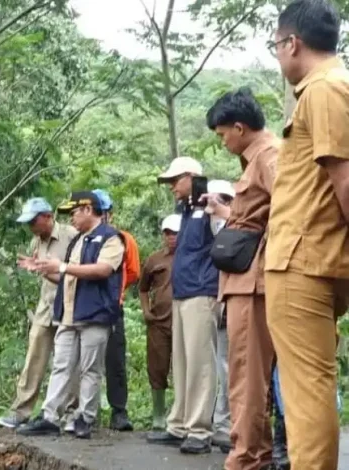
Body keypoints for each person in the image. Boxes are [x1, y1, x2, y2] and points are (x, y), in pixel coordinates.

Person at [267, 1, 349, 468]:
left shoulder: (324, 89)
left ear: (292, 43)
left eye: (276, 45)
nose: (278, 56)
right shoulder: (330, 89)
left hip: (302, 263)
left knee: (306, 392)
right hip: (314, 257)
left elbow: (344, 180)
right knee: (310, 387)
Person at [206, 88, 279, 470]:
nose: (223, 143)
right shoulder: (256, 160)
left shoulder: (269, 156)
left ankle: (246, 457)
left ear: (239, 127)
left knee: (246, 375)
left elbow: (292, 210)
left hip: (255, 284)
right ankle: (257, 453)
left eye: (223, 135)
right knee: (245, 373)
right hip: (243, 281)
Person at [17, 191, 125, 439]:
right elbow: (66, 276)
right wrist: (42, 269)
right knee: (61, 365)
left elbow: (103, 270)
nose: (72, 218)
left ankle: (85, 417)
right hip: (68, 312)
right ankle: (49, 416)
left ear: (88, 209)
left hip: (95, 313)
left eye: (74, 212)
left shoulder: (110, 238)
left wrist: (62, 266)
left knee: (90, 368)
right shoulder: (78, 241)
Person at [147, 156, 221, 455]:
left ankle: (200, 429)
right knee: (182, 362)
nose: (172, 188)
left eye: (175, 181)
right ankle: (178, 423)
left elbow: (225, 236)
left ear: (192, 177)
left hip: (202, 292)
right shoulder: (186, 211)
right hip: (182, 292)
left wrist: (214, 209)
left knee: (201, 362)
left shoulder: (210, 205)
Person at [0, 198, 78, 429]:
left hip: (70, 305)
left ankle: (71, 413)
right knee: (34, 355)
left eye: (34, 221)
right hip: (46, 306)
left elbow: (75, 274)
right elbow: (48, 276)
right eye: (28, 223)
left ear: (48, 216)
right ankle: (20, 411)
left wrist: (47, 269)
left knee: (69, 361)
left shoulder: (71, 235)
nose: (31, 226)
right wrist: (39, 269)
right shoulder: (36, 242)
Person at [91, 188, 139, 432]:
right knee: (84, 361)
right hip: (84, 308)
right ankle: (86, 411)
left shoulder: (124, 239)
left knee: (115, 361)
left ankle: (119, 410)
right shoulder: (81, 237)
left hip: (112, 306)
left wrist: (114, 290)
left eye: (105, 211)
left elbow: (132, 272)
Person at [139, 214, 180, 431]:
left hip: (183, 320)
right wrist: (146, 310)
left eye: (175, 233)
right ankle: (158, 415)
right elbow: (143, 288)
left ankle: (181, 413)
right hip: (158, 322)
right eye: (167, 233)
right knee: (157, 366)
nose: (171, 237)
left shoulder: (190, 256)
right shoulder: (155, 259)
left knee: (184, 368)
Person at [205, 179, 235, 454]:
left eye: (222, 199)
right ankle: (218, 423)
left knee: (229, 368)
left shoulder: (236, 226)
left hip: (235, 303)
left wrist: (223, 209)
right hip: (216, 303)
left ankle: (227, 425)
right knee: (217, 366)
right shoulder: (207, 227)